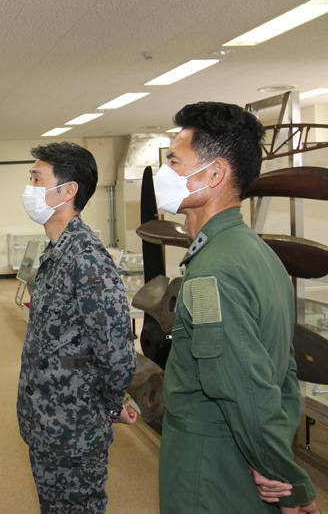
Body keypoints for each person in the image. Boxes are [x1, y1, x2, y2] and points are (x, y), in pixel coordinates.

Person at [156, 102, 319, 513]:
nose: (164, 172)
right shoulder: (256, 253)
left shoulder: (216, 271)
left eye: (174, 160)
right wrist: (275, 457)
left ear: (214, 174)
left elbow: (242, 387)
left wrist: (284, 479)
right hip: (243, 458)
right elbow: (282, 373)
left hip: (211, 471)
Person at [17, 142, 137, 513]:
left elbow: (117, 351)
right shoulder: (56, 251)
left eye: (38, 178)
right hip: (47, 420)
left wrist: (111, 403)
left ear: (68, 191)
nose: (29, 188)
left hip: (75, 426)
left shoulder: (86, 257)